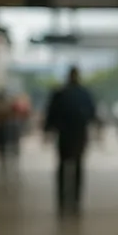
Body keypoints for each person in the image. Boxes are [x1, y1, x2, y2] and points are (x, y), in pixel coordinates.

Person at [43, 67, 97, 215]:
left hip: (64, 134)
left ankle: (61, 199)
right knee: (78, 165)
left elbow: (51, 113)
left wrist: (47, 130)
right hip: (79, 134)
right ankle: (76, 199)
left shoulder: (60, 94)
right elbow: (92, 113)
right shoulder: (85, 94)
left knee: (62, 165)